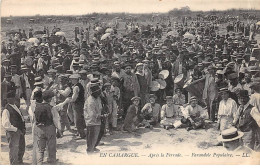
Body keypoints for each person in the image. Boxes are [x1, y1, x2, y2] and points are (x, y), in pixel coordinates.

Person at [33, 90, 66, 164]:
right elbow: (56, 120)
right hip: (50, 128)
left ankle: (39, 163)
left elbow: (34, 119)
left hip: (39, 128)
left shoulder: (37, 107)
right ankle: (51, 161)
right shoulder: (51, 108)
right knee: (51, 147)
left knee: (40, 149)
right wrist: (59, 130)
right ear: (49, 99)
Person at [2, 90, 26, 165]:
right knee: (14, 150)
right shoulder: (6, 109)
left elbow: (21, 118)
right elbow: (6, 124)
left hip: (20, 131)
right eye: (11, 98)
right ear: (8, 99)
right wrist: (16, 129)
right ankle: (14, 164)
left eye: (13, 98)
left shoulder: (15, 106)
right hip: (13, 132)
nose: (13, 99)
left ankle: (19, 162)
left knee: (21, 147)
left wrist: (23, 128)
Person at [84, 84, 103, 154]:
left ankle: (93, 147)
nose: (100, 93)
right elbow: (92, 114)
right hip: (91, 121)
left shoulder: (97, 98)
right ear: (93, 92)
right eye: (98, 92)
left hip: (97, 120)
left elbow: (100, 107)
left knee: (97, 135)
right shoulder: (90, 101)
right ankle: (89, 151)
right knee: (91, 136)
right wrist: (101, 116)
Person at [68, 74, 86, 139]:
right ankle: (79, 132)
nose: (71, 80)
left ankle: (82, 134)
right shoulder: (79, 85)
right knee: (79, 118)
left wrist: (68, 100)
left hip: (77, 104)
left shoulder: (76, 87)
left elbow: (74, 98)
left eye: (72, 79)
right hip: (80, 103)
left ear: (75, 80)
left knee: (78, 119)